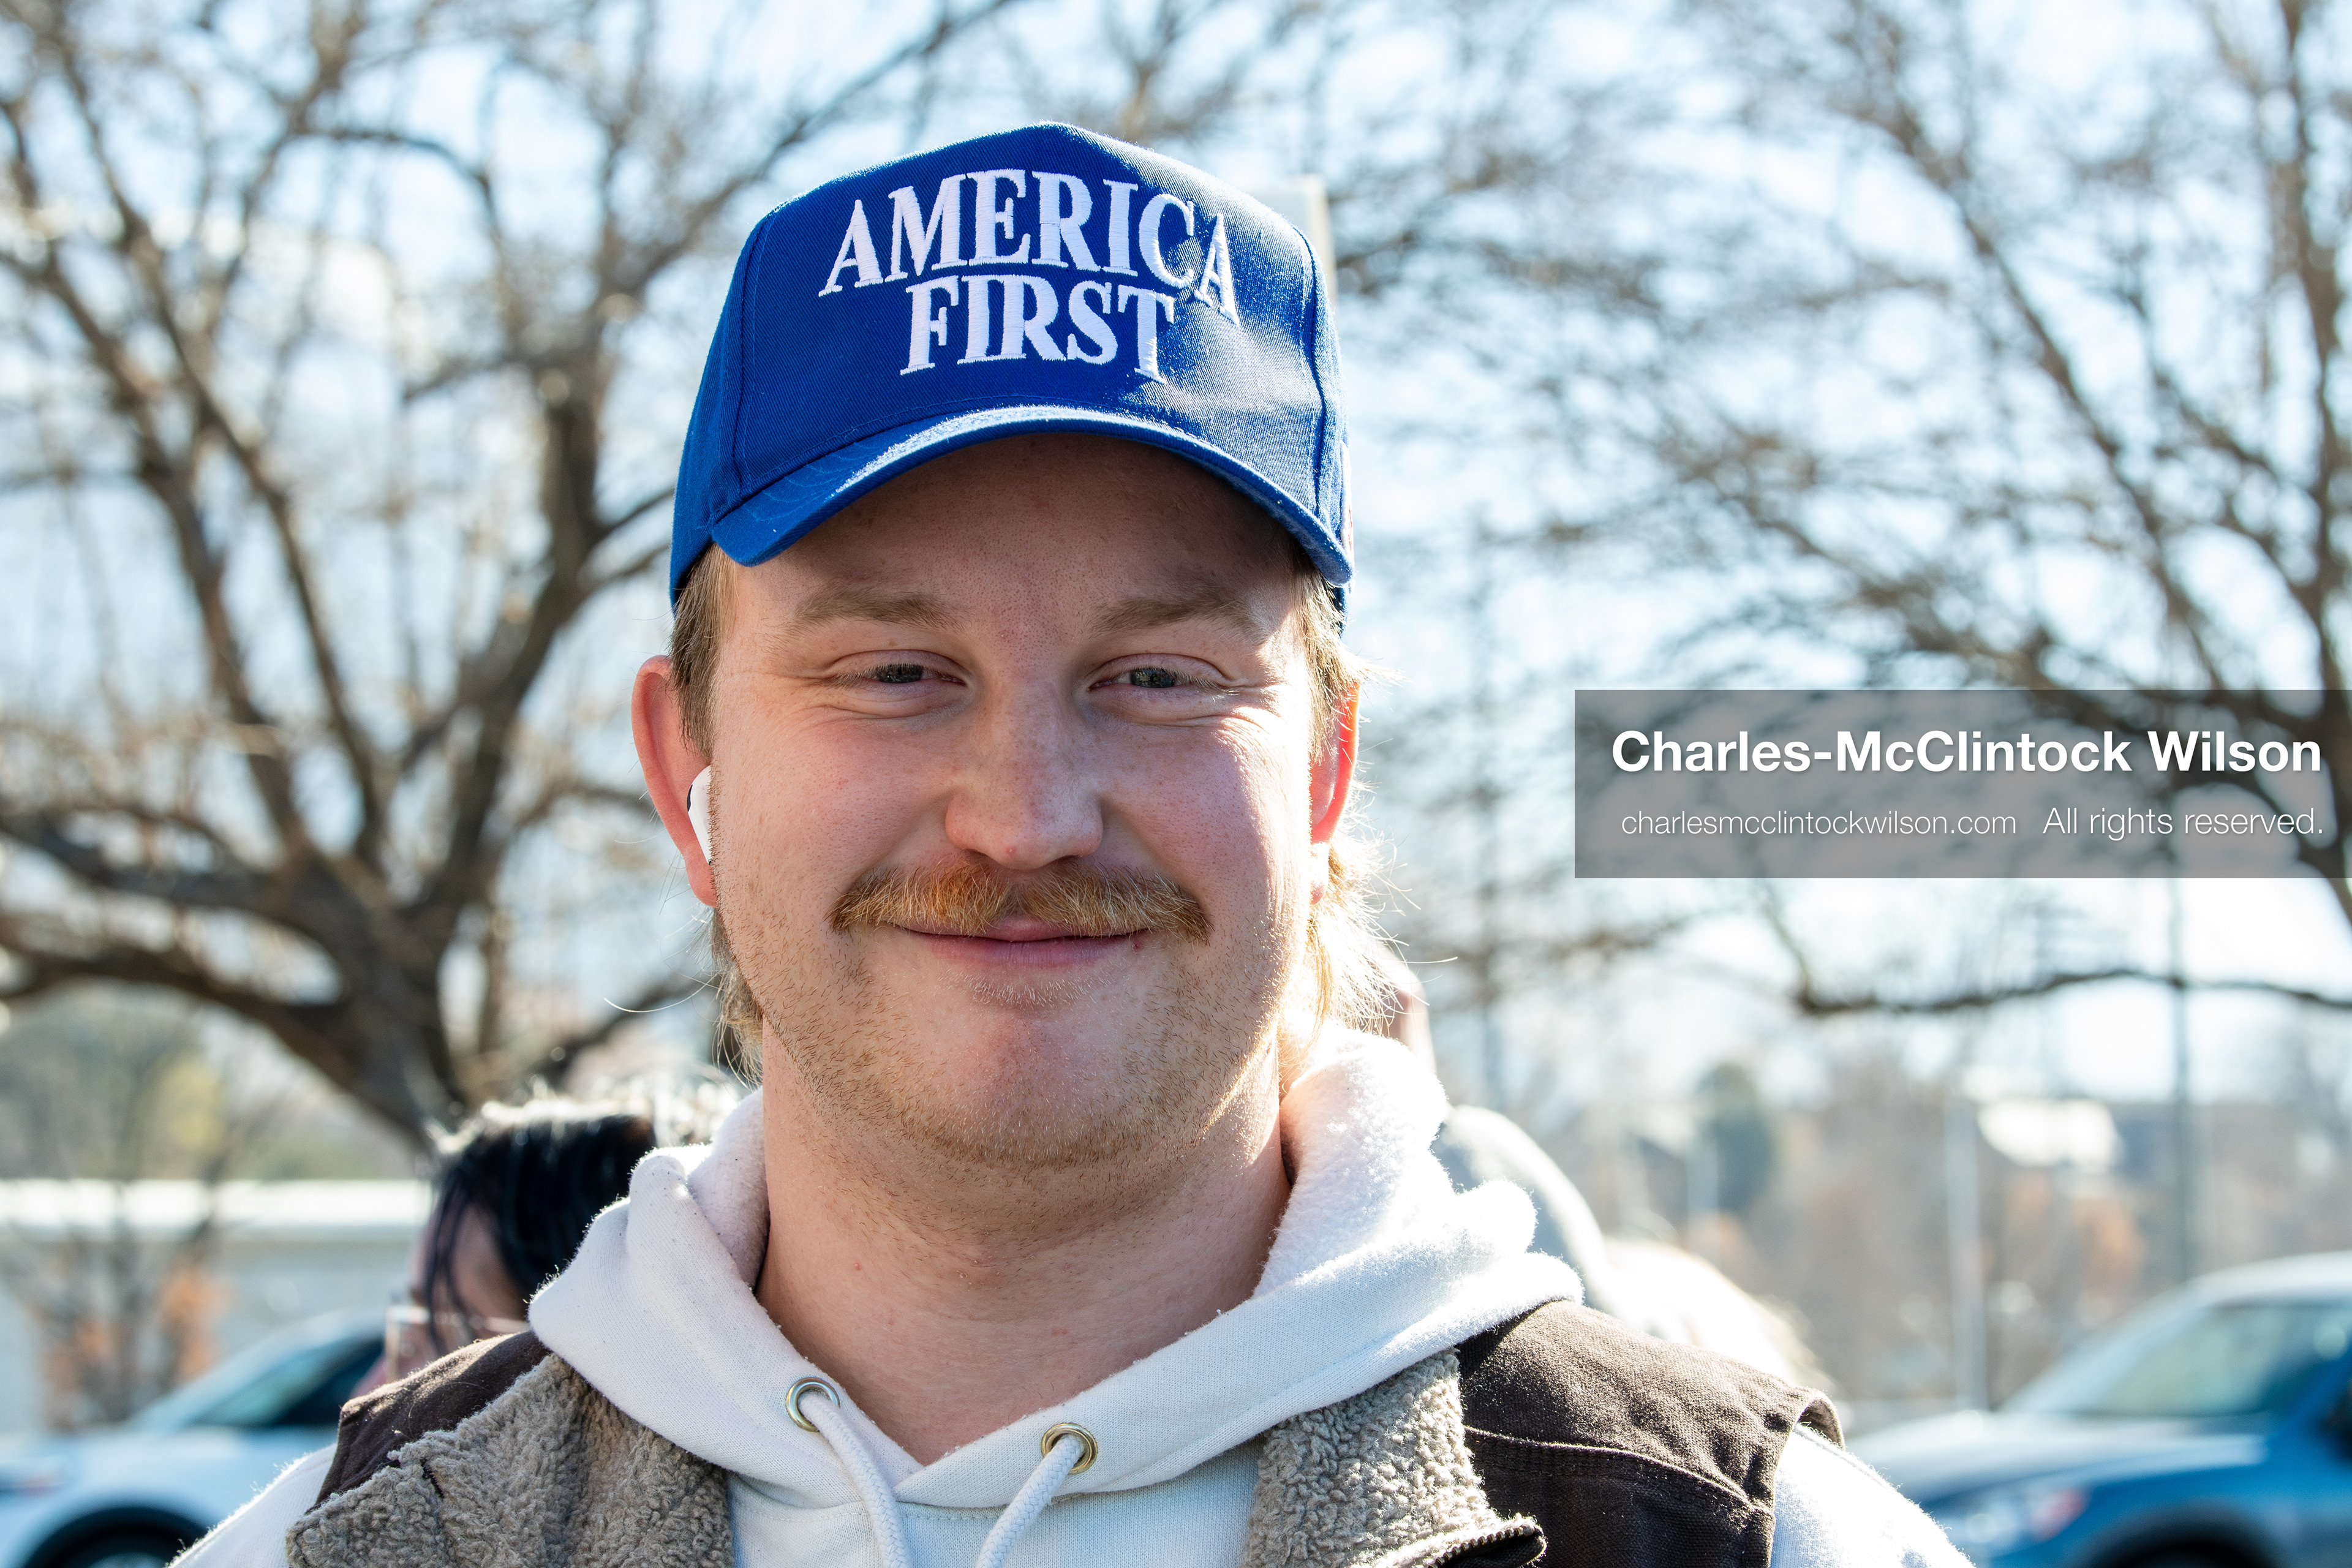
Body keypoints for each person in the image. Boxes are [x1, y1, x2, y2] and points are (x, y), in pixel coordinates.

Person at [194, 123, 1961, 1567]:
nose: (1025, 814)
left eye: (1157, 676)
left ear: (1327, 777)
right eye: (897, 672)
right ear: (691, 774)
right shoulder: (363, 1548)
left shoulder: (1738, 1546)